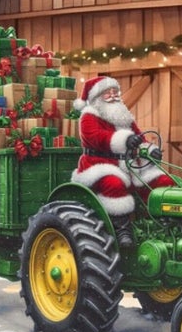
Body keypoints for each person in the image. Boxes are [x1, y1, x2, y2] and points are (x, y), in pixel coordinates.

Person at [70, 75, 172, 246]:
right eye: (107, 92)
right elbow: (95, 138)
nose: (113, 95)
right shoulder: (89, 116)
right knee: (113, 184)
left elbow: (139, 138)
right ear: (96, 97)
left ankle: (163, 221)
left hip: (131, 165)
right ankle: (122, 230)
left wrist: (149, 150)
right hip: (101, 165)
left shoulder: (124, 117)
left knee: (162, 181)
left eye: (115, 91)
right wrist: (124, 140)